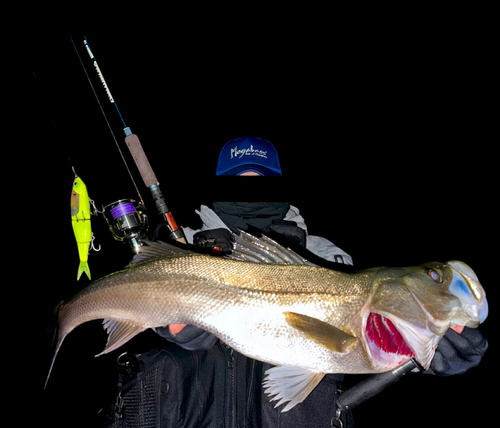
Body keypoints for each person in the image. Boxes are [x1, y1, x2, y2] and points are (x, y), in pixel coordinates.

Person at [104, 136, 488, 428]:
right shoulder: (182, 245)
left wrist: (422, 357)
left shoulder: (326, 256)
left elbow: (355, 345)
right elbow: (140, 304)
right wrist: (171, 326)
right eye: (238, 182)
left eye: (262, 181)